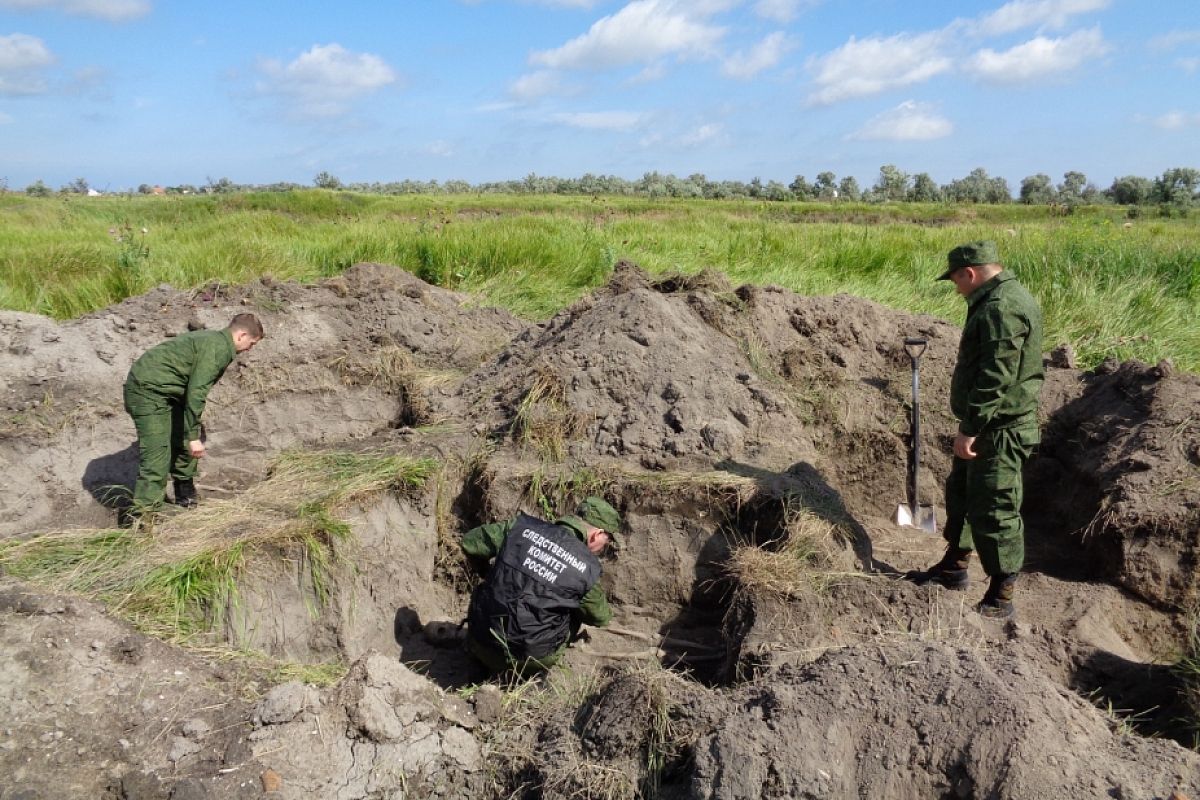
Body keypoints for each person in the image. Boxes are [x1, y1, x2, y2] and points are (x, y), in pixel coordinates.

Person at [913, 240, 1043, 618]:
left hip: (999, 428)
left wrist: (970, 427)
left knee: (995, 506)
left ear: (970, 273)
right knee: (964, 495)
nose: (955, 288)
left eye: (955, 280)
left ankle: (1002, 594)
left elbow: (996, 377)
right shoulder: (995, 301)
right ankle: (954, 567)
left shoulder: (1003, 308)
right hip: (986, 423)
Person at [122, 313, 264, 520]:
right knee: (157, 454)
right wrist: (193, 437)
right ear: (242, 335)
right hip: (147, 392)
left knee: (182, 438)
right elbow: (197, 392)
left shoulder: (216, 343)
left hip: (170, 393)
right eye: (251, 344)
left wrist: (188, 434)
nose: (249, 349)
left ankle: (184, 493)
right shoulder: (217, 348)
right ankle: (144, 515)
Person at [461, 496, 621, 678]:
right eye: (605, 542)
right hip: (530, 661)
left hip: (481, 641)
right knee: (575, 612)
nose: (602, 549)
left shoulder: (520, 528)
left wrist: (486, 573)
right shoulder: (585, 567)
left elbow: (470, 541)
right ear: (597, 535)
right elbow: (599, 617)